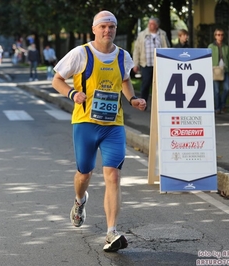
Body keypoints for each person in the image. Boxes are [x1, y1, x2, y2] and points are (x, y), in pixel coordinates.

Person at [52, 10, 146, 252]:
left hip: (113, 125)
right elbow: (57, 80)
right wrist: (72, 93)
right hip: (85, 123)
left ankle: (111, 232)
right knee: (84, 173)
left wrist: (133, 99)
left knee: (113, 175)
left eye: (111, 27)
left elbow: (125, 80)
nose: (107, 31)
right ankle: (79, 201)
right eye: (103, 27)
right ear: (94, 29)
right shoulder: (81, 53)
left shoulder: (123, 56)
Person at [132, 17, 170, 107]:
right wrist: (135, 64)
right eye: (149, 23)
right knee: (145, 84)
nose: (149, 25)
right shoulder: (142, 35)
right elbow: (136, 50)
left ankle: (159, 106)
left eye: (152, 24)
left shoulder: (162, 34)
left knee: (159, 85)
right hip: (146, 64)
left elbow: (167, 47)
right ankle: (143, 104)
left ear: (157, 25)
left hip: (159, 65)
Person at [208, 28, 229, 114]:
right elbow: (207, 58)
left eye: (222, 35)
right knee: (217, 91)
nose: (220, 37)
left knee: (227, 88)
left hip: (225, 70)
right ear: (215, 36)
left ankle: (222, 105)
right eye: (218, 35)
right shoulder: (211, 47)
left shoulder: (226, 47)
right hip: (215, 70)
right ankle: (218, 107)